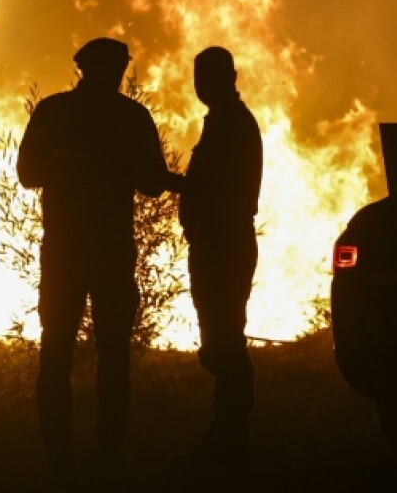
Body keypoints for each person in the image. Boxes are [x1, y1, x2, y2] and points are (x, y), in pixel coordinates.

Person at [16, 37, 177, 474]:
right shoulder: (130, 117)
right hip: (108, 249)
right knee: (112, 354)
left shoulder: (53, 112)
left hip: (66, 250)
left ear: (81, 68)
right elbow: (150, 181)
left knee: (57, 349)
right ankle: (108, 453)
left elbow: (28, 174)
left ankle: (57, 454)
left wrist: (67, 165)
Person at [175, 46, 263, 464]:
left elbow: (221, 189)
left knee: (225, 341)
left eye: (206, 76)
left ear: (228, 77)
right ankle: (230, 432)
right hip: (218, 242)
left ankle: (230, 436)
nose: (200, 85)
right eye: (198, 77)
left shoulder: (231, 124)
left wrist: (177, 186)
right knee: (222, 338)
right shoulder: (224, 122)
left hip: (223, 244)